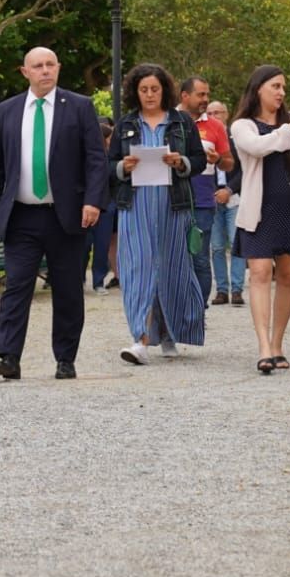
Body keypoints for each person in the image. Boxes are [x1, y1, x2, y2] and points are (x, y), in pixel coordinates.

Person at [0, 47, 107, 380]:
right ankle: (8, 356)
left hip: (66, 216)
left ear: (59, 68)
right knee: (17, 286)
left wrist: (93, 201)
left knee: (67, 289)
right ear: (25, 72)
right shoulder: (7, 110)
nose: (45, 71)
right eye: (37, 66)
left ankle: (65, 358)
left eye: (51, 64)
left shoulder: (79, 107)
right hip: (21, 216)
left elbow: (95, 159)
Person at [108, 63, 208, 365]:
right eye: (143, 90)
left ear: (164, 90)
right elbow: (108, 166)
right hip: (135, 206)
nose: (149, 95)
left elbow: (199, 161)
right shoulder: (125, 124)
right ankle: (140, 338)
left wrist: (181, 163)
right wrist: (122, 168)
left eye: (154, 89)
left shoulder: (181, 123)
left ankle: (168, 333)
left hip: (173, 206)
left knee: (171, 270)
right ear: (134, 93)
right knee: (137, 270)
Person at [230, 65, 290, 374]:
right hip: (258, 210)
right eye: (275, 86)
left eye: (283, 87)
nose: (281, 92)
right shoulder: (242, 125)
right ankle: (263, 347)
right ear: (258, 89)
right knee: (261, 272)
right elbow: (259, 148)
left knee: (288, 275)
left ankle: (278, 344)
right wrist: (289, 127)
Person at [179, 77, 234, 306]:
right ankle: (176, 309)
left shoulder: (216, 126)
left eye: (207, 95)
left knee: (200, 259)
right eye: (200, 95)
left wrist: (218, 159)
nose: (205, 100)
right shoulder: (169, 121)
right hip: (170, 200)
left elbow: (229, 163)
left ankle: (198, 310)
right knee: (173, 259)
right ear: (185, 96)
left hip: (202, 202)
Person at [206, 100, 246, 305]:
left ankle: (237, 289)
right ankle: (222, 290)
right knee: (217, 247)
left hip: (235, 197)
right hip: (212, 199)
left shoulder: (236, 138)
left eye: (218, 112)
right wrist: (214, 192)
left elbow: (245, 169)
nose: (214, 116)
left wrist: (229, 190)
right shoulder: (203, 137)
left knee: (237, 243)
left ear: (226, 114)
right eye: (210, 112)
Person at [86, 117, 117, 293]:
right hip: (87, 206)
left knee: (102, 244)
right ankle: (80, 278)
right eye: (109, 137)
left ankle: (98, 281)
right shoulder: (86, 156)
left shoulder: (111, 156)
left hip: (106, 206)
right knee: (83, 246)